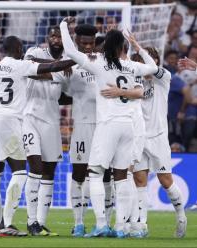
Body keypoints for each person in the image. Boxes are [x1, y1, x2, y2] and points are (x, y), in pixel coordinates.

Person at [60, 16, 158, 238]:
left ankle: (102, 224)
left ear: (106, 47)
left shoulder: (99, 64)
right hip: (128, 127)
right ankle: (122, 228)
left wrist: (63, 26)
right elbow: (153, 67)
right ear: (123, 47)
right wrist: (138, 46)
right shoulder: (131, 66)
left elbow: (70, 50)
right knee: (122, 176)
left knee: (95, 173)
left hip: (108, 125)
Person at [0, 35, 75, 237]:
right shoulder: (21, 66)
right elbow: (53, 68)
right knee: (20, 173)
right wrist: (77, 59)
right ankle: (7, 224)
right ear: (19, 48)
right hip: (10, 121)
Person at [132, 47, 187, 238]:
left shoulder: (164, 78)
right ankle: (142, 226)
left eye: (153, 59)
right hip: (138, 137)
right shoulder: (134, 80)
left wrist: (138, 47)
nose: (148, 63)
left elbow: (153, 67)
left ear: (156, 60)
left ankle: (181, 217)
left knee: (165, 181)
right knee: (139, 180)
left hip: (158, 137)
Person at [51, 24, 98, 237]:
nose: (88, 47)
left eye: (91, 43)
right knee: (79, 175)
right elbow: (53, 85)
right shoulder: (69, 65)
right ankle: (78, 223)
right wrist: (61, 67)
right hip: (81, 127)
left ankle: (102, 222)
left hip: (106, 126)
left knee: (104, 177)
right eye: (84, 43)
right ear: (76, 41)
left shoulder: (103, 61)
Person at [23, 26, 66, 236]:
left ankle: (40, 222)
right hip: (30, 117)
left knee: (49, 171)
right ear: (47, 38)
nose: (55, 39)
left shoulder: (70, 61)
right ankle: (31, 221)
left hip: (51, 121)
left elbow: (67, 92)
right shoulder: (35, 52)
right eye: (52, 36)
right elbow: (29, 67)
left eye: (59, 36)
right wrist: (59, 67)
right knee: (36, 167)